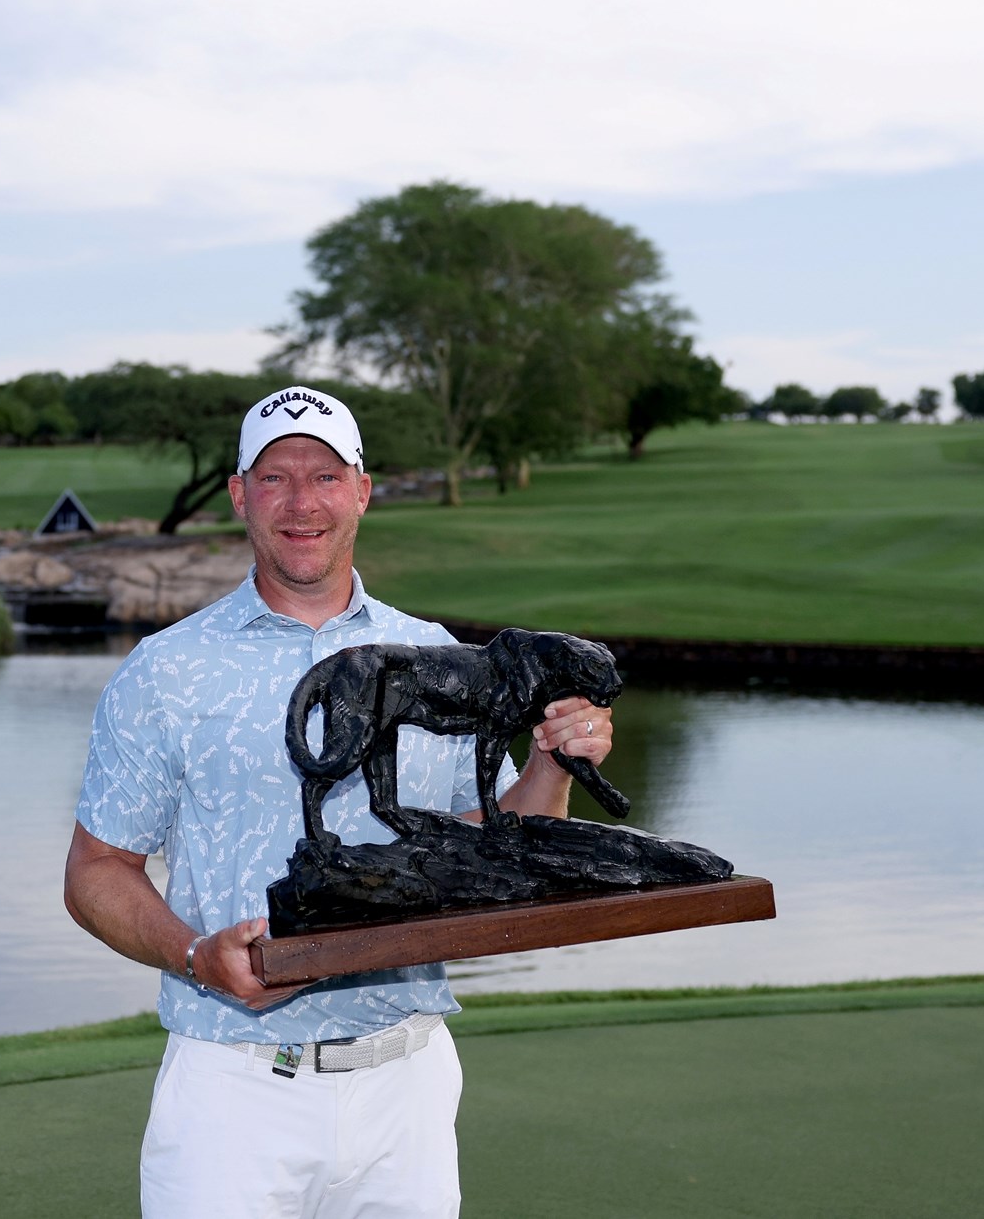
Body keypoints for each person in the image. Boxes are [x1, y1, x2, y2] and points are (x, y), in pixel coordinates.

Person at [64, 385, 613, 1218]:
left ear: (361, 491)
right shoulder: (165, 670)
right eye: (275, 477)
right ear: (240, 496)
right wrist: (191, 954)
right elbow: (96, 870)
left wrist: (552, 761)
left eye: (324, 476)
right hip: (234, 1087)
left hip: (409, 1084)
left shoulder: (435, 654)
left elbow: (499, 845)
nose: (301, 501)